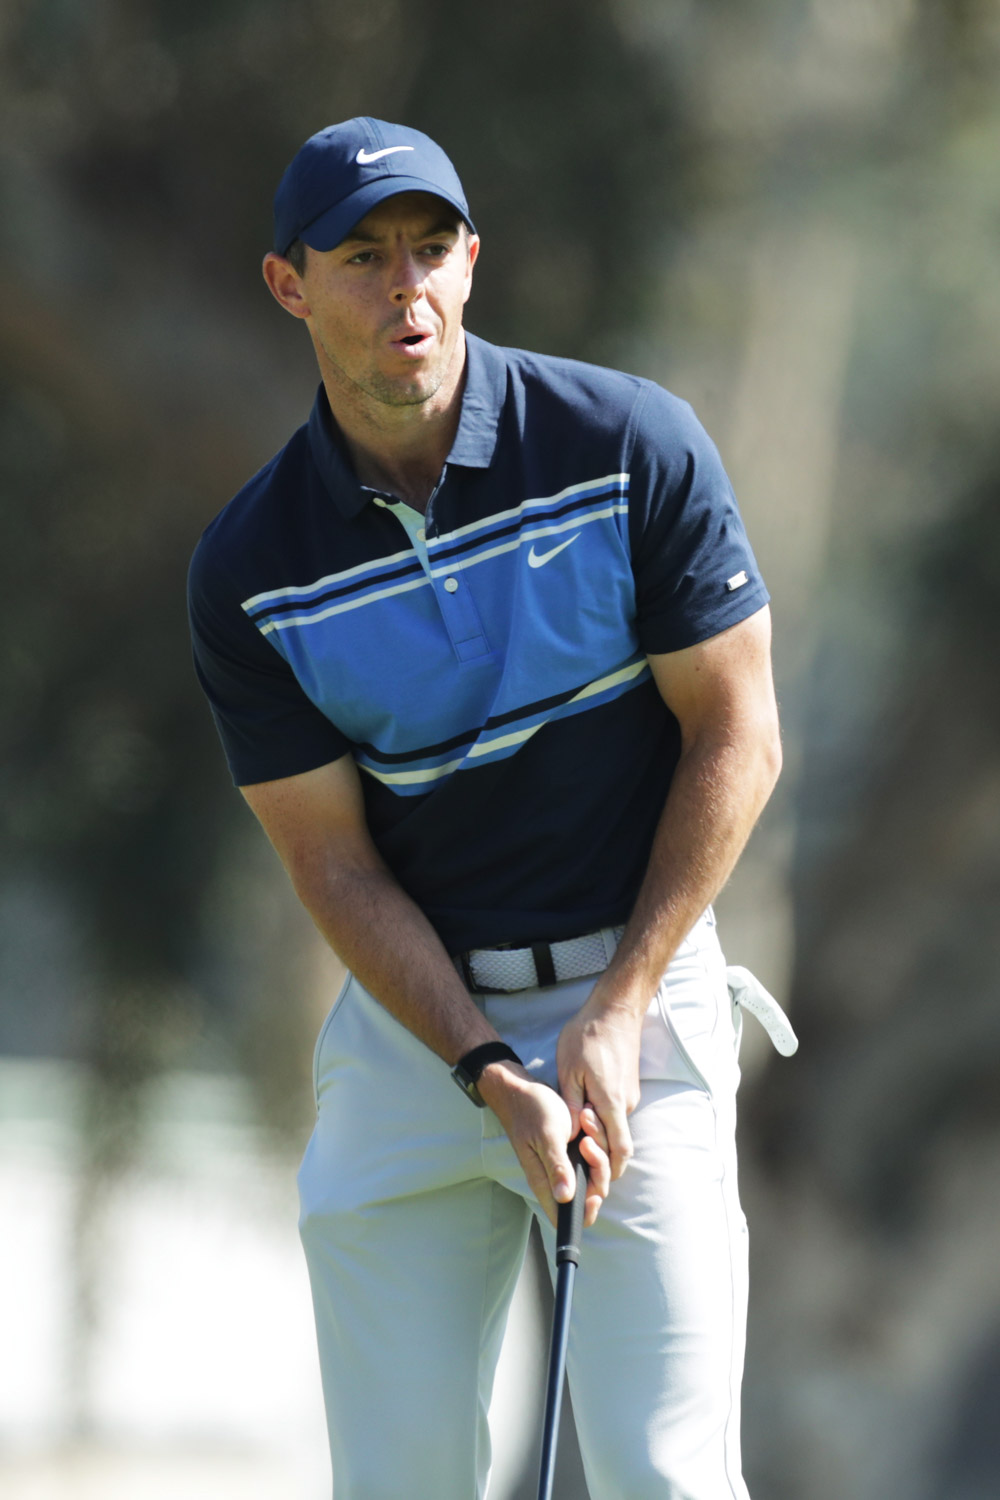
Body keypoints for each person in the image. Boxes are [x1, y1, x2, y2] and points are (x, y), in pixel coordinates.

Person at [188, 116, 786, 1500]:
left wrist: (623, 1006)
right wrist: (481, 1068)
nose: (408, 289)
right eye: (362, 258)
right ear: (289, 285)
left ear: (472, 262)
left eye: (432, 249)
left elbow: (739, 732)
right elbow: (331, 866)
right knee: (400, 1483)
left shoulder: (628, 445)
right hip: (417, 1037)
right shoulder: (250, 568)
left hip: (639, 1008)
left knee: (662, 1477)